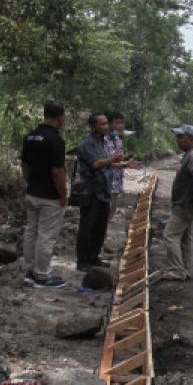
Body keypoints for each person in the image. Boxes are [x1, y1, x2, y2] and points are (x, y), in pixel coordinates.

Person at [19, 101, 68, 288]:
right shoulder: (55, 140)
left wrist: (30, 182)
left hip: (32, 192)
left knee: (31, 231)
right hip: (50, 197)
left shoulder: (30, 136)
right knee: (46, 236)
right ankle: (42, 276)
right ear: (60, 116)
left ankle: (30, 271)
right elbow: (57, 171)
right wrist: (63, 195)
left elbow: (24, 165)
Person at [76, 113, 123, 270]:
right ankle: (83, 261)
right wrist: (113, 158)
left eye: (106, 124)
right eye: (102, 124)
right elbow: (96, 164)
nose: (106, 127)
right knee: (87, 227)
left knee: (100, 227)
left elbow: (106, 164)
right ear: (93, 126)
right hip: (91, 191)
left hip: (103, 190)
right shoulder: (87, 144)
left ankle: (94, 257)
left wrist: (123, 164)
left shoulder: (102, 141)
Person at [162, 124, 193, 281]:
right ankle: (186, 268)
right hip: (185, 204)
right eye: (177, 137)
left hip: (184, 205)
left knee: (169, 235)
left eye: (181, 137)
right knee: (185, 237)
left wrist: (192, 194)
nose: (178, 140)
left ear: (190, 138)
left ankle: (176, 270)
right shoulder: (189, 154)